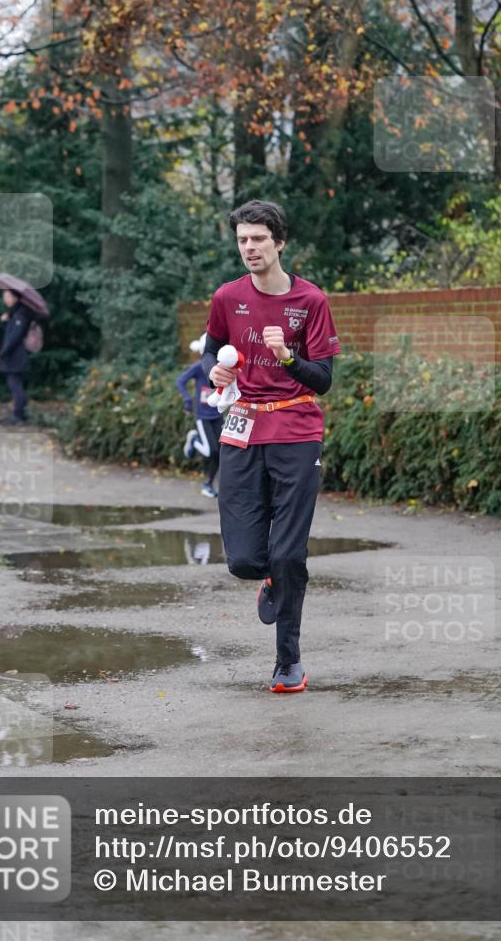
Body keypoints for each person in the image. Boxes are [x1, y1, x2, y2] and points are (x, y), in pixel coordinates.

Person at [202, 200, 341, 693]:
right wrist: (215, 372)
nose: (249, 247)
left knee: (288, 553)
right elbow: (209, 353)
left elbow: (323, 378)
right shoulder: (227, 297)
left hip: (297, 431)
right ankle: (270, 577)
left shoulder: (311, 301)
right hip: (241, 429)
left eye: (259, 238)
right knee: (243, 558)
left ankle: (289, 662)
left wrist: (286, 358)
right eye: (242, 239)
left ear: (280, 242)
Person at [176, 332, 223, 498]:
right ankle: (195, 440)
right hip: (203, 416)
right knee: (211, 451)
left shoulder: (221, 367)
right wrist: (188, 400)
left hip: (217, 415)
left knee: (221, 452)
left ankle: (208, 485)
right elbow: (180, 381)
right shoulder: (198, 367)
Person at [0, 289, 33, 424]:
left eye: (8, 296)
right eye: (4, 296)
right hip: (13, 355)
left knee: (15, 385)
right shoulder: (14, 314)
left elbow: (14, 338)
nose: (5, 299)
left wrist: (1, 354)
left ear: (16, 298)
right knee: (15, 384)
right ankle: (20, 413)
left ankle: (19, 415)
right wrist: (7, 318)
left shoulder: (20, 315)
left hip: (16, 355)